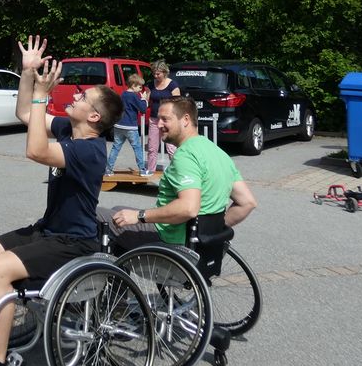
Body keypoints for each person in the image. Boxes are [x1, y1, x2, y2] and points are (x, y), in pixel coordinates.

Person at [0, 35, 122, 366]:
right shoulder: (70, 130)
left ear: (94, 116)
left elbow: (36, 151)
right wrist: (27, 73)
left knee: (0, 269)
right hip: (49, 230)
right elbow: (25, 113)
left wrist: (43, 94)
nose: (75, 95)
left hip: (73, 241)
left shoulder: (90, 150)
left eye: (83, 97)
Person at [99, 96, 256, 250]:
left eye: (165, 119)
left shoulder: (185, 156)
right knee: (118, 210)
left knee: (96, 215)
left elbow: (188, 208)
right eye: (158, 118)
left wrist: (139, 216)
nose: (158, 124)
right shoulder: (217, 152)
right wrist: (211, 232)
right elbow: (247, 202)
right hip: (198, 240)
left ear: (185, 119)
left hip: (170, 238)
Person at [108, 72, 149, 175]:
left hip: (119, 125)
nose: (140, 89)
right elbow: (143, 109)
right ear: (133, 85)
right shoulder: (134, 96)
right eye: (139, 87)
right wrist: (144, 99)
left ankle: (108, 169)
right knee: (137, 148)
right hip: (130, 126)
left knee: (116, 147)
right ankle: (142, 170)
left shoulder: (123, 94)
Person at [146, 59, 181, 174]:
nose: (155, 76)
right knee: (152, 147)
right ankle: (150, 170)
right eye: (154, 73)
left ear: (164, 72)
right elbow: (147, 101)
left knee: (171, 147)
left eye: (158, 74)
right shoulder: (151, 85)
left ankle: (177, 170)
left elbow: (177, 103)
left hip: (168, 120)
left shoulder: (172, 85)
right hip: (154, 119)